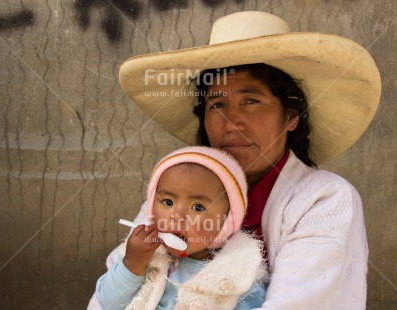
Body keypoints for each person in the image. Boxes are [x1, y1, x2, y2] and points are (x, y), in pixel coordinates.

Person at [91, 11, 381, 309]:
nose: (231, 123)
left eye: (251, 101)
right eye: (217, 103)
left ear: (292, 116)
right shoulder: (177, 191)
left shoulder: (324, 199)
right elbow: (106, 298)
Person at [91, 146, 267, 309]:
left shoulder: (240, 274)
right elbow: (108, 303)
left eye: (198, 207)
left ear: (228, 220)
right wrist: (132, 264)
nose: (177, 216)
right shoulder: (142, 255)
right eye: (168, 202)